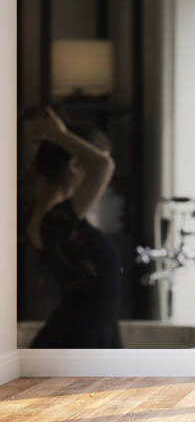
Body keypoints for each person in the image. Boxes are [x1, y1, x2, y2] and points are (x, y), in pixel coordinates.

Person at [23, 106, 123, 348]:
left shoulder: (53, 219)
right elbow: (103, 165)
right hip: (82, 338)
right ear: (75, 165)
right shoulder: (57, 221)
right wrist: (57, 135)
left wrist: (51, 140)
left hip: (82, 334)